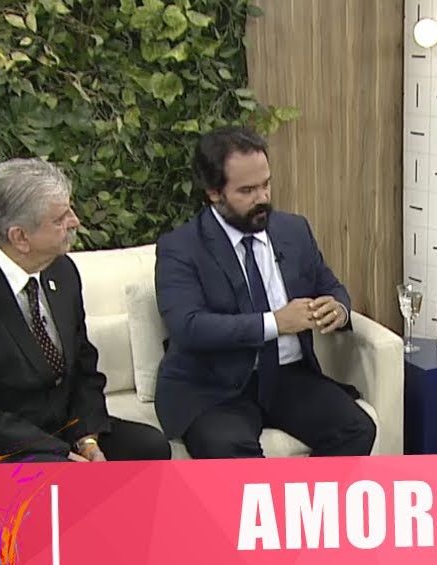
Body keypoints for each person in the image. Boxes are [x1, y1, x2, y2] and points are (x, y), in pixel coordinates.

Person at [0, 158, 171, 462]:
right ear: (19, 237)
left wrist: (87, 438)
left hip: (56, 426)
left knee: (149, 447)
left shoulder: (61, 270)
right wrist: (62, 454)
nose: (75, 222)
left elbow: (83, 366)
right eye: (59, 219)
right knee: (63, 475)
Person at [153, 126, 377, 459]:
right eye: (247, 190)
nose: (262, 198)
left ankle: (300, 496)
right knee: (228, 447)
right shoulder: (181, 248)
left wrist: (338, 308)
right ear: (214, 193)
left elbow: (329, 285)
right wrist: (276, 322)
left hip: (287, 376)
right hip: (213, 388)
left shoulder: (294, 230)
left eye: (266, 184)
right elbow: (188, 326)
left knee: (357, 428)